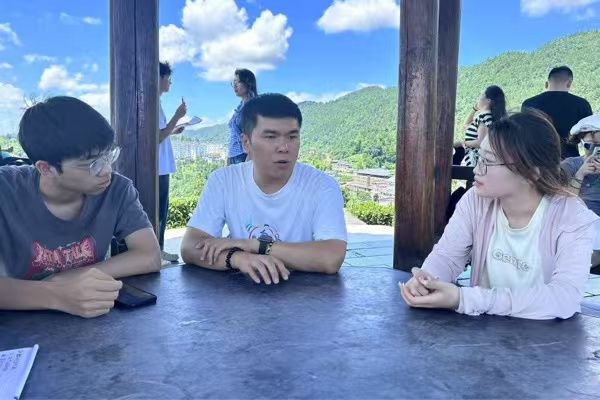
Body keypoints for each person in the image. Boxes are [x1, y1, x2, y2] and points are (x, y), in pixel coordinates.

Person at [400, 111, 598, 320]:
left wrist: (465, 299)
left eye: (488, 161)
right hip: (483, 333)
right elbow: (447, 257)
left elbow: (564, 298)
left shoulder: (573, 217)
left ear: (531, 172)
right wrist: (426, 280)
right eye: (479, 158)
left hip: (547, 336)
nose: (477, 169)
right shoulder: (475, 201)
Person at [0, 96, 161, 318]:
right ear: (46, 168)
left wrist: (69, 278)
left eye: (108, 155)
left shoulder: (117, 189)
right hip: (17, 325)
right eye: (92, 164)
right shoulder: (6, 190)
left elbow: (150, 255)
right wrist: (57, 294)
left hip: (91, 323)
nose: (106, 170)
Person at [181, 93, 347, 284]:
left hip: (307, 294)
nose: (284, 147)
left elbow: (331, 257)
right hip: (240, 295)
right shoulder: (224, 181)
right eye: (271, 137)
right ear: (246, 143)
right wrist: (237, 258)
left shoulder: (322, 186)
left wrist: (253, 245)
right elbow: (190, 246)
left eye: (292, 136)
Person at [522, 66, 593, 159]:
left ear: (546, 84)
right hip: (569, 158)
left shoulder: (528, 104)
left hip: (535, 158)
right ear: (569, 83)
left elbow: (523, 135)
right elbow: (591, 137)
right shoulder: (581, 104)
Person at [561, 114, 600, 267]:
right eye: (590, 146)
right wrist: (580, 174)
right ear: (581, 143)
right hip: (579, 224)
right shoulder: (570, 165)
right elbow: (563, 203)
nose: (595, 151)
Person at [158, 61, 187, 263]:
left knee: (161, 210)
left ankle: (158, 249)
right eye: (168, 78)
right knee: (159, 212)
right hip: (158, 167)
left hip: (161, 166)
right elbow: (157, 137)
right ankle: (157, 251)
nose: (169, 83)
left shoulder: (156, 103)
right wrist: (177, 116)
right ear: (159, 78)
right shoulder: (152, 103)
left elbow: (161, 133)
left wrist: (173, 130)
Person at [454, 85, 506, 166]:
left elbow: (481, 142)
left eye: (481, 95)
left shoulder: (483, 117)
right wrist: (474, 109)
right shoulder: (489, 117)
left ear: (488, 100)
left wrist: (462, 143)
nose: (478, 98)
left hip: (476, 161)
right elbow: (466, 125)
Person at [227, 68, 257, 165]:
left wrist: (249, 157)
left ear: (248, 83)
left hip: (243, 156)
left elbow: (254, 133)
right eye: (234, 82)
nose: (235, 85)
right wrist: (229, 157)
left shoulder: (253, 106)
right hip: (234, 155)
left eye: (238, 82)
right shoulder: (240, 106)